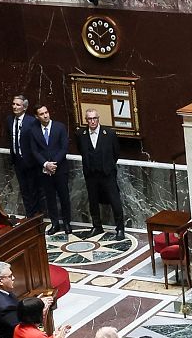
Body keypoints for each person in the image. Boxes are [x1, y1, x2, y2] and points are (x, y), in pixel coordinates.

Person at [26, 101, 73, 237]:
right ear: (37, 116)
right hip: (45, 171)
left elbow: (64, 148)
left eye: (46, 113)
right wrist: (46, 164)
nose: (45, 116)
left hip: (60, 169)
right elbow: (34, 150)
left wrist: (54, 163)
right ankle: (55, 223)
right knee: (50, 198)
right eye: (42, 114)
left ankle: (67, 223)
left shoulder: (60, 127)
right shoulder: (33, 130)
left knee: (64, 197)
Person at [77, 107, 125, 239]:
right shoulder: (81, 135)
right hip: (91, 174)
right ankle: (97, 226)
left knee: (115, 201)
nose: (92, 121)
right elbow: (82, 151)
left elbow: (116, 153)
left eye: (95, 118)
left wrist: (107, 166)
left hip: (107, 174)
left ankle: (120, 228)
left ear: (98, 119)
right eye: (90, 119)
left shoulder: (109, 133)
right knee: (93, 201)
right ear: (86, 120)